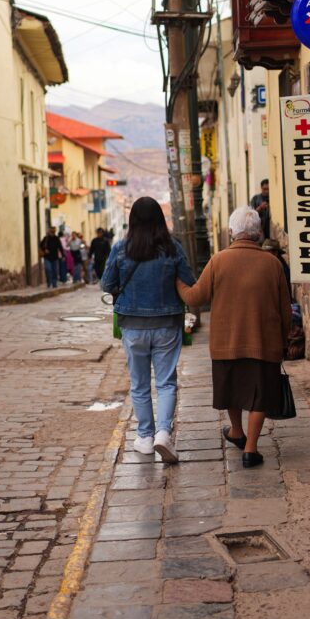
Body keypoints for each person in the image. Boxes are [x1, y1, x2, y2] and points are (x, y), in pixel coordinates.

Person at [176, 206, 291, 469]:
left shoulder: (218, 261)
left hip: (226, 344)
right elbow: (285, 309)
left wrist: (177, 282)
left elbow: (195, 298)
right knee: (260, 394)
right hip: (264, 342)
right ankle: (250, 447)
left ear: (231, 232)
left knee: (234, 390)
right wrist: (283, 341)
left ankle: (238, 431)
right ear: (259, 233)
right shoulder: (272, 263)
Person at [102, 197, 195, 463]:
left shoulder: (121, 248)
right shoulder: (172, 248)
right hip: (167, 323)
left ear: (133, 221)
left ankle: (144, 436)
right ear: (159, 220)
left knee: (140, 384)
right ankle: (163, 434)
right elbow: (189, 280)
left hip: (132, 325)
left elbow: (107, 283)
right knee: (166, 382)